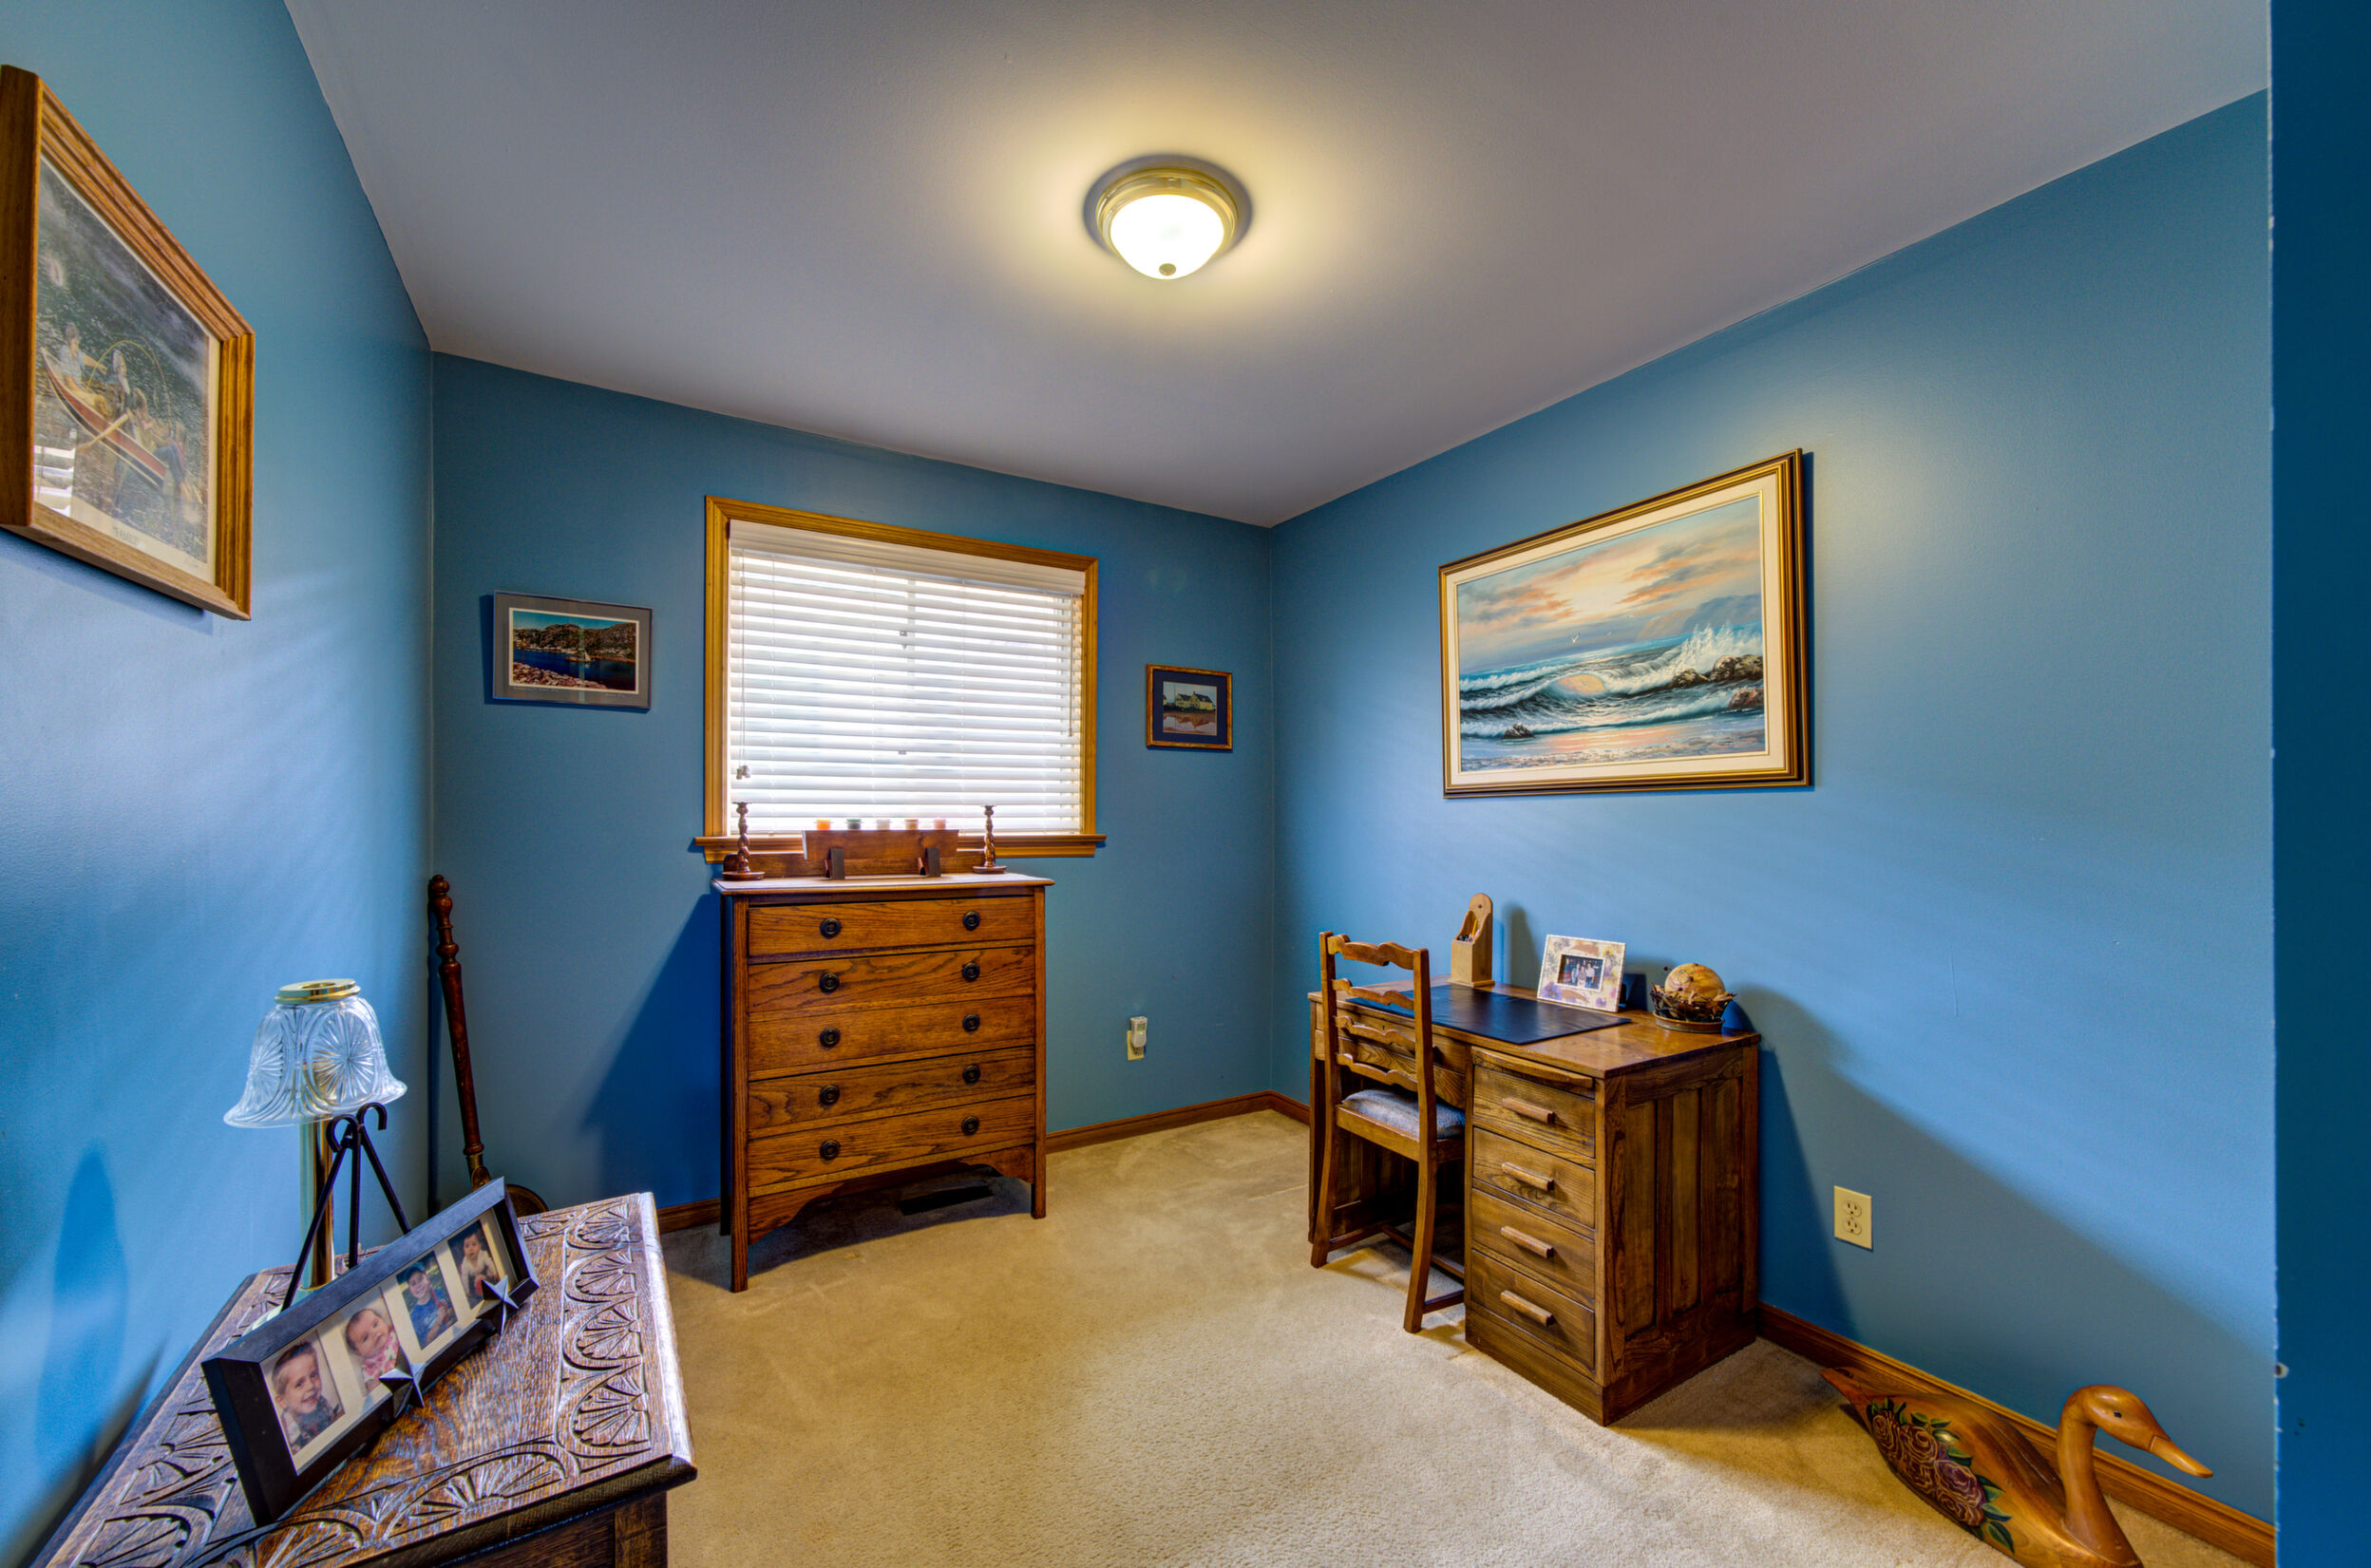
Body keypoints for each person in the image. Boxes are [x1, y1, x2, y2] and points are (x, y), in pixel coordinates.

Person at [270, 1341, 343, 1451]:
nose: (311, 1385)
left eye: (313, 1375)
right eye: (299, 1384)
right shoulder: (288, 1435)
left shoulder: (321, 1403)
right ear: (283, 1402)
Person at [400, 1263, 456, 1344]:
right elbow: (427, 1341)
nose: (418, 1285)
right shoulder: (415, 1316)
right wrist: (439, 1321)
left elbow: (452, 1310)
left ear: (427, 1278)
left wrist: (446, 1311)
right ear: (410, 1289)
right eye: (413, 1284)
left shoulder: (438, 1293)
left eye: (420, 1279)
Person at [343, 1304, 402, 1381]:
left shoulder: (394, 1331)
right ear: (358, 1351)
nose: (374, 1332)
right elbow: (375, 1387)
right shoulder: (370, 1367)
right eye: (365, 1338)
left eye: (375, 1324)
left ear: (383, 1320)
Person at [455, 1227, 503, 1301]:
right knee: (464, 1275)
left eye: (474, 1244)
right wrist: (467, 1291)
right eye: (467, 1246)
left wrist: (495, 1272)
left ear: (480, 1246)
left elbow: (489, 1263)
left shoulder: (483, 1254)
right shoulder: (465, 1263)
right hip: (472, 1276)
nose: (470, 1249)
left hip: (483, 1269)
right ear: (463, 1249)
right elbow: (464, 1278)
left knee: (490, 1271)